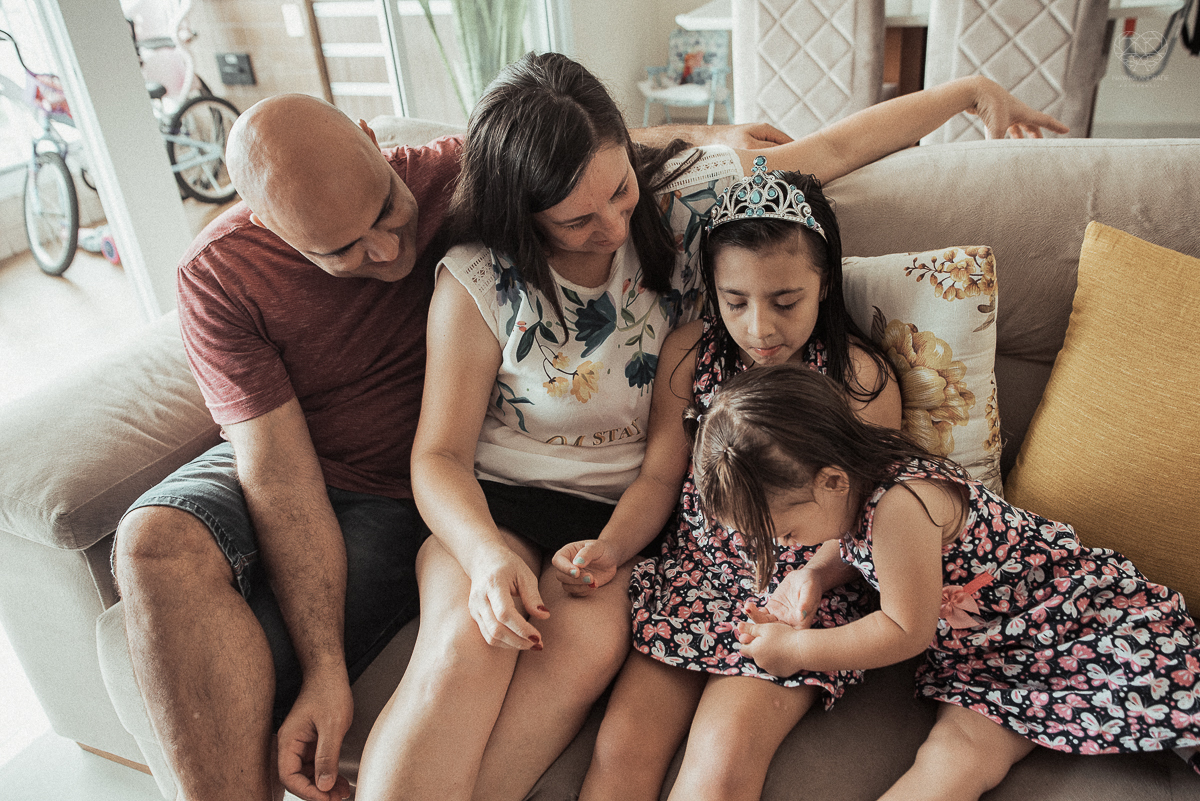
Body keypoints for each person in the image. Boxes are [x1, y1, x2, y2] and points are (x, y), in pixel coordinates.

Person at [361, 51, 1068, 801]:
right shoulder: (488, 277)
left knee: (598, 673)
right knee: (462, 655)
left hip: (659, 537)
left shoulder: (688, 208)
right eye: (577, 218)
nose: (613, 226)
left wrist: (968, 90)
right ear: (524, 212)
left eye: (621, 190)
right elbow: (438, 453)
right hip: (511, 508)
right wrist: (483, 557)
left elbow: (828, 152)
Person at [110, 90, 795, 801]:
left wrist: (713, 133)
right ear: (270, 226)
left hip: (479, 499)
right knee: (151, 542)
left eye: (384, 211)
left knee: (573, 648)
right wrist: (327, 668)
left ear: (374, 141)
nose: (384, 250)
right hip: (358, 475)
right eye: (338, 250)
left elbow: (572, 143)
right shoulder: (221, 273)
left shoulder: (467, 173)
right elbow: (279, 475)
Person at [692, 364, 1200, 799]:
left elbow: (903, 630)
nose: (784, 545)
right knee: (955, 757)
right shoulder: (853, 481)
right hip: (989, 654)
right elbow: (849, 539)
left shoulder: (901, 505)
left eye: (786, 531)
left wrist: (798, 650)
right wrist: (815, 574)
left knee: (1168, 688)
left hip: (1069, 618)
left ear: (831, 480)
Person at [571, 163, 900, 801]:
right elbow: (661, 477)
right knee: (620, 755)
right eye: (735, 302)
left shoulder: (858, 382)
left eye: (784, 302)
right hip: (693, 576)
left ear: (825, 283)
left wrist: (815, 578)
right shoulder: (692, 353)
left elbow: (874, 519)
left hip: (798, 591)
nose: (759, 329)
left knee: (718, 774)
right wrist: (611, 548)